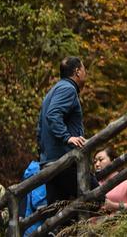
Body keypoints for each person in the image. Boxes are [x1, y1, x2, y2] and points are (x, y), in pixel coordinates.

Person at [37, 56, 87, 206]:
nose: (85, 73)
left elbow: (40, 127)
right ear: (77, 72)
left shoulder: (54, 91)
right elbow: (53, 114)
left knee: (59, 213)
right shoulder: (67, 89)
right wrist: (67, 137)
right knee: (95, 195)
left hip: (50, 161)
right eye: (84, 69)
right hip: (63, 160)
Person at [19, 161, 47, 236]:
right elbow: (39, 204)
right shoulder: (39, 173)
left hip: (26, 223)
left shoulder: (27, 176)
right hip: (36, 227)